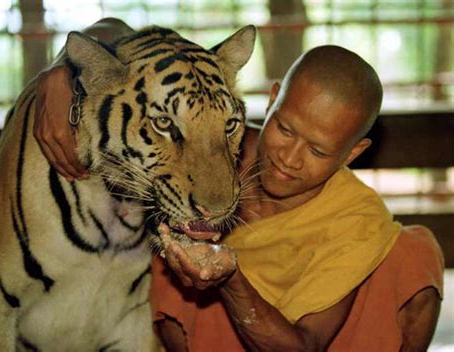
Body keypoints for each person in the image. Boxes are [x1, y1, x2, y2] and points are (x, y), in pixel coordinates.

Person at [35, 19, 444, 351]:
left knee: (412, 255)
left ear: (352, 155)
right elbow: (117, 34)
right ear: (271, 100)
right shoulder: (213, 142)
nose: (289, 157)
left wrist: (230, 279)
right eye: (284, 128)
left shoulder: (358, 218)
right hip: (202, 335)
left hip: (285, 340)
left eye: (318, 151)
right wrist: (58, 71)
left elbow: (304, 347)